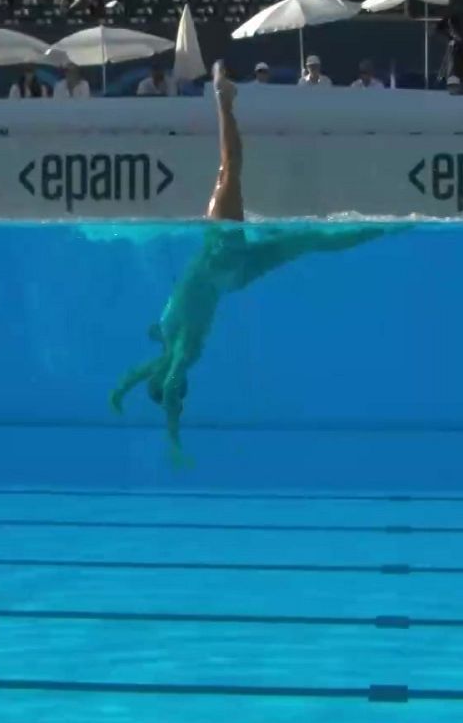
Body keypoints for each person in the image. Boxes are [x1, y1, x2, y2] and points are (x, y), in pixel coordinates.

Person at [108, 63, 397, 466]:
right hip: (221, 260)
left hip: (231, 275)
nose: (157, 378)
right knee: (230, 170)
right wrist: (173, 440)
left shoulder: (164, 355)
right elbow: (171, 388)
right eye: (159, 382)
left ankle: (388, 229)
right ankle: (223, 98)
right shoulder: (180, 358)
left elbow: (136, 376)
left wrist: (118, 394)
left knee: (307, 240)